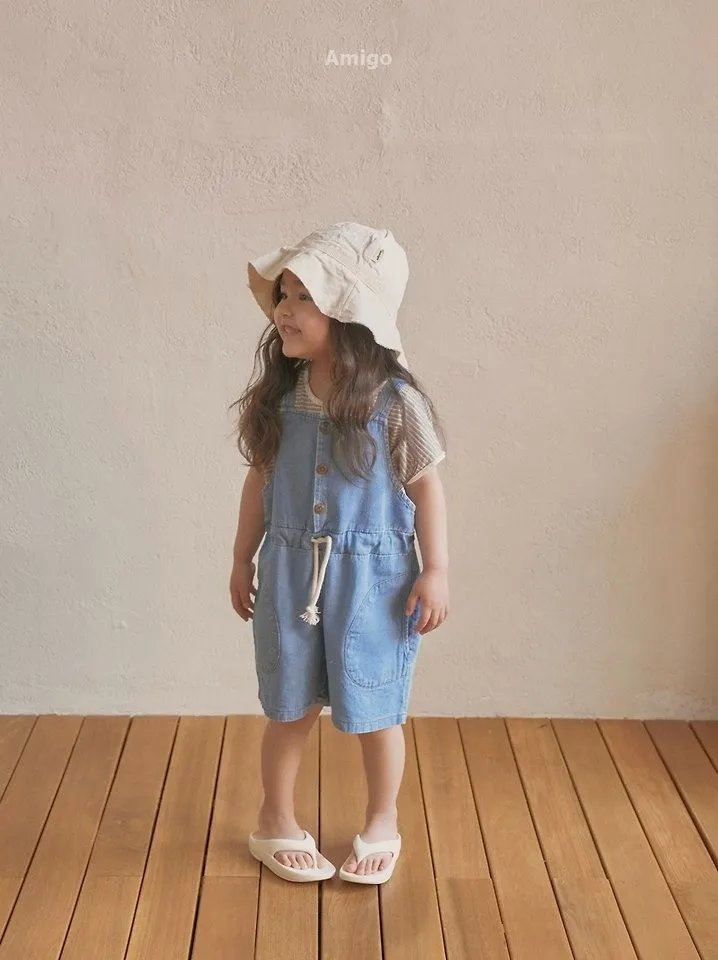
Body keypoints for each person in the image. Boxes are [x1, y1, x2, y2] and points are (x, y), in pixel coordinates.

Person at [228, 221, 449, 885]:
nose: (284, 309)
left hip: (377, 579)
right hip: (291, 574)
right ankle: (274, 819)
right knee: (289, 704)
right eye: (284, 294)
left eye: (305, 297)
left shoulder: (395, 404)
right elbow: (259, 482)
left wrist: (436, 570)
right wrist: (242, 558)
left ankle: (383, 819)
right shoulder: (281, 399)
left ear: (350, 316)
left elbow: (426, 486)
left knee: (376, 706)